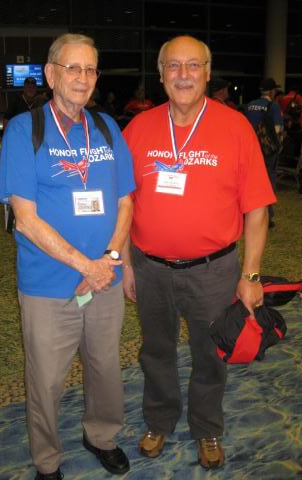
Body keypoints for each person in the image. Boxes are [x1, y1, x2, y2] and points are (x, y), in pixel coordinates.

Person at [122, 35, 276, 470]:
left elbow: (258, 209)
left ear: (208, 73)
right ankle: (159, 419)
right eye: (174, 66)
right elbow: (124, 202)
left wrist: (250, 274)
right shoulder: (139, 129)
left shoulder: (235, 127)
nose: (184, 74)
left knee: (211, 353)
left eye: (193, 66)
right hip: (150, 268)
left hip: (214, 270)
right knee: (156, 349)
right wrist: (125, 262)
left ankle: (207, 428)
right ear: (160, 75)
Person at [0, 33, 134, 480]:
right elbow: (26, 219)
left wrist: (109, 258)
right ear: (51, 73)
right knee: (46, 381)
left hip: (105, 279)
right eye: (72, 68)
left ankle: (101, 436)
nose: (83, 78)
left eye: (91, 69)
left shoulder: (107, 128)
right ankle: (48, 461)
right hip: (48, 286)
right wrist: (86, 266)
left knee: (104, 369)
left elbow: (125, 202)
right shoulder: (24, 130)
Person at [246, 78, 284, 228]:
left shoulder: (250, 105)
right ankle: (268, 216)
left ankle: (248, 212)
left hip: (251, 149)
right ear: (272, 91)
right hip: (268, 151)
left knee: (250, 181)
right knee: (268, 180)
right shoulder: (273, 106)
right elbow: (277, 130)